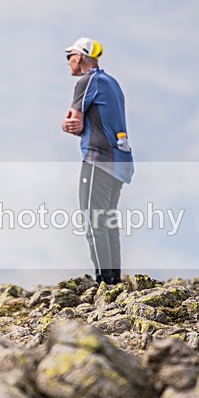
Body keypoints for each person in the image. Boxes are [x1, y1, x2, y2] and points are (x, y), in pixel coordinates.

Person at [61, 36, 134, 285]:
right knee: (108, 221)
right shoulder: (111, 82)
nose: (68, 61)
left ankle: (105, 283)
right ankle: (114, 279)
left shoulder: (87, 80)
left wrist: (68, 125)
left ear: (79, 57)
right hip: (120, 161)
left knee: (94, 223)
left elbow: (73, 120)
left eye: (69, 56)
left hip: (97, 159)